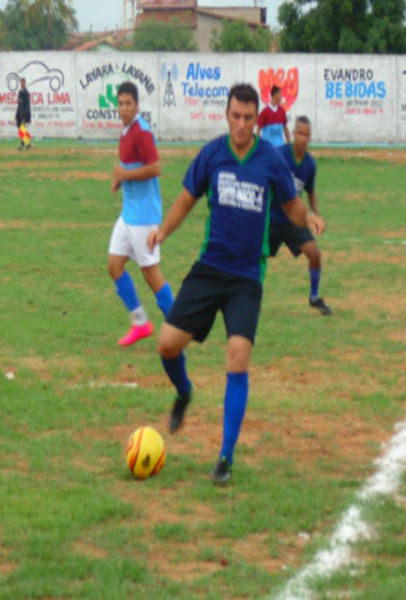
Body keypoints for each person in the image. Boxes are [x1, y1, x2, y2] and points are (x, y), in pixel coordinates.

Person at [148, 84, 324, 484]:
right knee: (166, 345)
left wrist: (309, 218)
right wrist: (162, 232)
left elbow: (290, 205)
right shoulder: (212, 154)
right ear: (226, 115)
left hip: (247, 276)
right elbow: (185, 200)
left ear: (256, 120)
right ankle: (184, 390)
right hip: (209, 268)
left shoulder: (269, 160)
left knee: (237, 358)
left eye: (248, 118)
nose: (241, 124)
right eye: (235, 116)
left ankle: (225, 459)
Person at [109, 81, 174, 346]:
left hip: (144, 216)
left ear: (136, 105)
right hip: (129, 214)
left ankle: (180, 324)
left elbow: (155, 167)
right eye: (120, 103)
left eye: (128, 103)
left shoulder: (141, 132)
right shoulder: (126, 131)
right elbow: (130, 165)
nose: (123, 108)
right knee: (114, 266)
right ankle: (140, 322)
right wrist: (120, 181)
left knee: (151, 275)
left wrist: (125, 175)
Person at [270, 116, 332, 315]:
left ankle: (314, 298)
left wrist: (314, 215)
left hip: (295, 221)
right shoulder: (279, 155)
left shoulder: (310, 165)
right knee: (252, 257)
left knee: (314, 254)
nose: (303, 138)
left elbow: (310, 192)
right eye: (300, 133)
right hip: (271, 219)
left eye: (307, 134)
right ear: (293, 134)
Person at [16, 78, 32, 151]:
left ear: (24, 83)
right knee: (22, 129)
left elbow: (27, 105)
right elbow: (19, 104)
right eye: (21, 83)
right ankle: (28, 144)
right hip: (20, 113)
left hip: (24, 115)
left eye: (23, 83)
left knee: (22, 129)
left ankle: (23, 145)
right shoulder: (20, 92)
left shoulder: (26, 93)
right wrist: (17, 114)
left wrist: (24, 116)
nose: (21, 84)